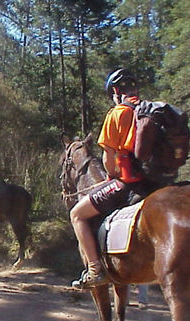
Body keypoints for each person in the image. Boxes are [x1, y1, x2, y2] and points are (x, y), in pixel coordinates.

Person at [70, 68, 148, 289]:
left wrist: (112, 176)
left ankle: (94, 270)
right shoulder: (151, 111)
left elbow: (108, 159)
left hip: (129, 183)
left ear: (115, 91)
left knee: (76, 214)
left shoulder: (117, 114)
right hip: (156, 182)